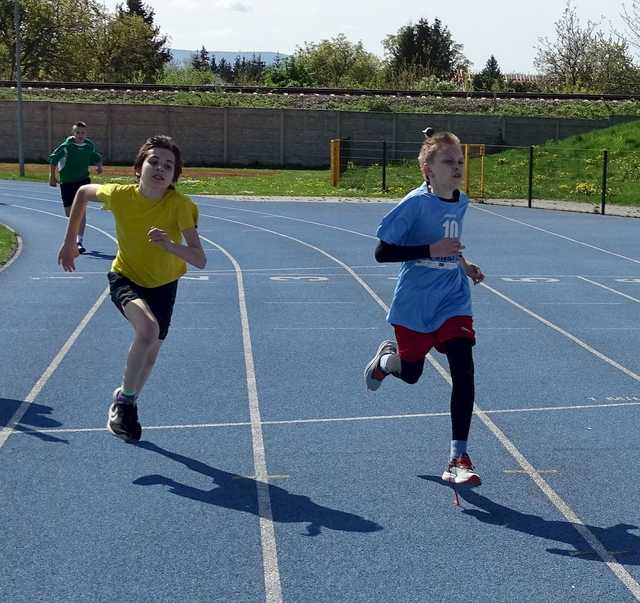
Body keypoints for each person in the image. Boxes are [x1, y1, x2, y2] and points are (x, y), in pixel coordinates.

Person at [57, 135, 206, 443]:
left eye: (168, 165)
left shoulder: (180, 206)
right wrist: (70, 241)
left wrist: (168, 244)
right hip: (125, 277)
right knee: (148, 331)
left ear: (174, 176)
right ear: (138, 168)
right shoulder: (121, 196)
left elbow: (200, 259)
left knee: (150, 355)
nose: (160, 169)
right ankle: (124, 403)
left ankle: (128, 400)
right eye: (153, 161)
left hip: (164, 284)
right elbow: (83, 192)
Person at [363, 131, 485, 487]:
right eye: (448, 162)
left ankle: (457, 457)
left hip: (452, 296)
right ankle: (387, 361)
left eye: (460, 161)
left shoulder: (461, 200)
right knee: (412, 373)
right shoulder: (414, 204)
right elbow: (382, 253)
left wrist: (463, 264)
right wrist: (431, 251)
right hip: (417, 299)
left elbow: (449, 241)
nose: (457, 168)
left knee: (464, 367)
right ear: (427, 169)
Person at [49, 121, 103, 254]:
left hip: (83, 181)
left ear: (86, 133)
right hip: (67, 182)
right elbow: (54, 160)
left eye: (83, 132)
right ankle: (74, 237)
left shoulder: (89, 145)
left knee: (81, 211)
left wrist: (99, 165)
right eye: (77, 132)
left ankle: (79, 241)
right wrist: (52, 177)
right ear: (73, 133)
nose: (80, 135)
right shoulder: (66, 146)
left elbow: (95, 156)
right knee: (70, 213)